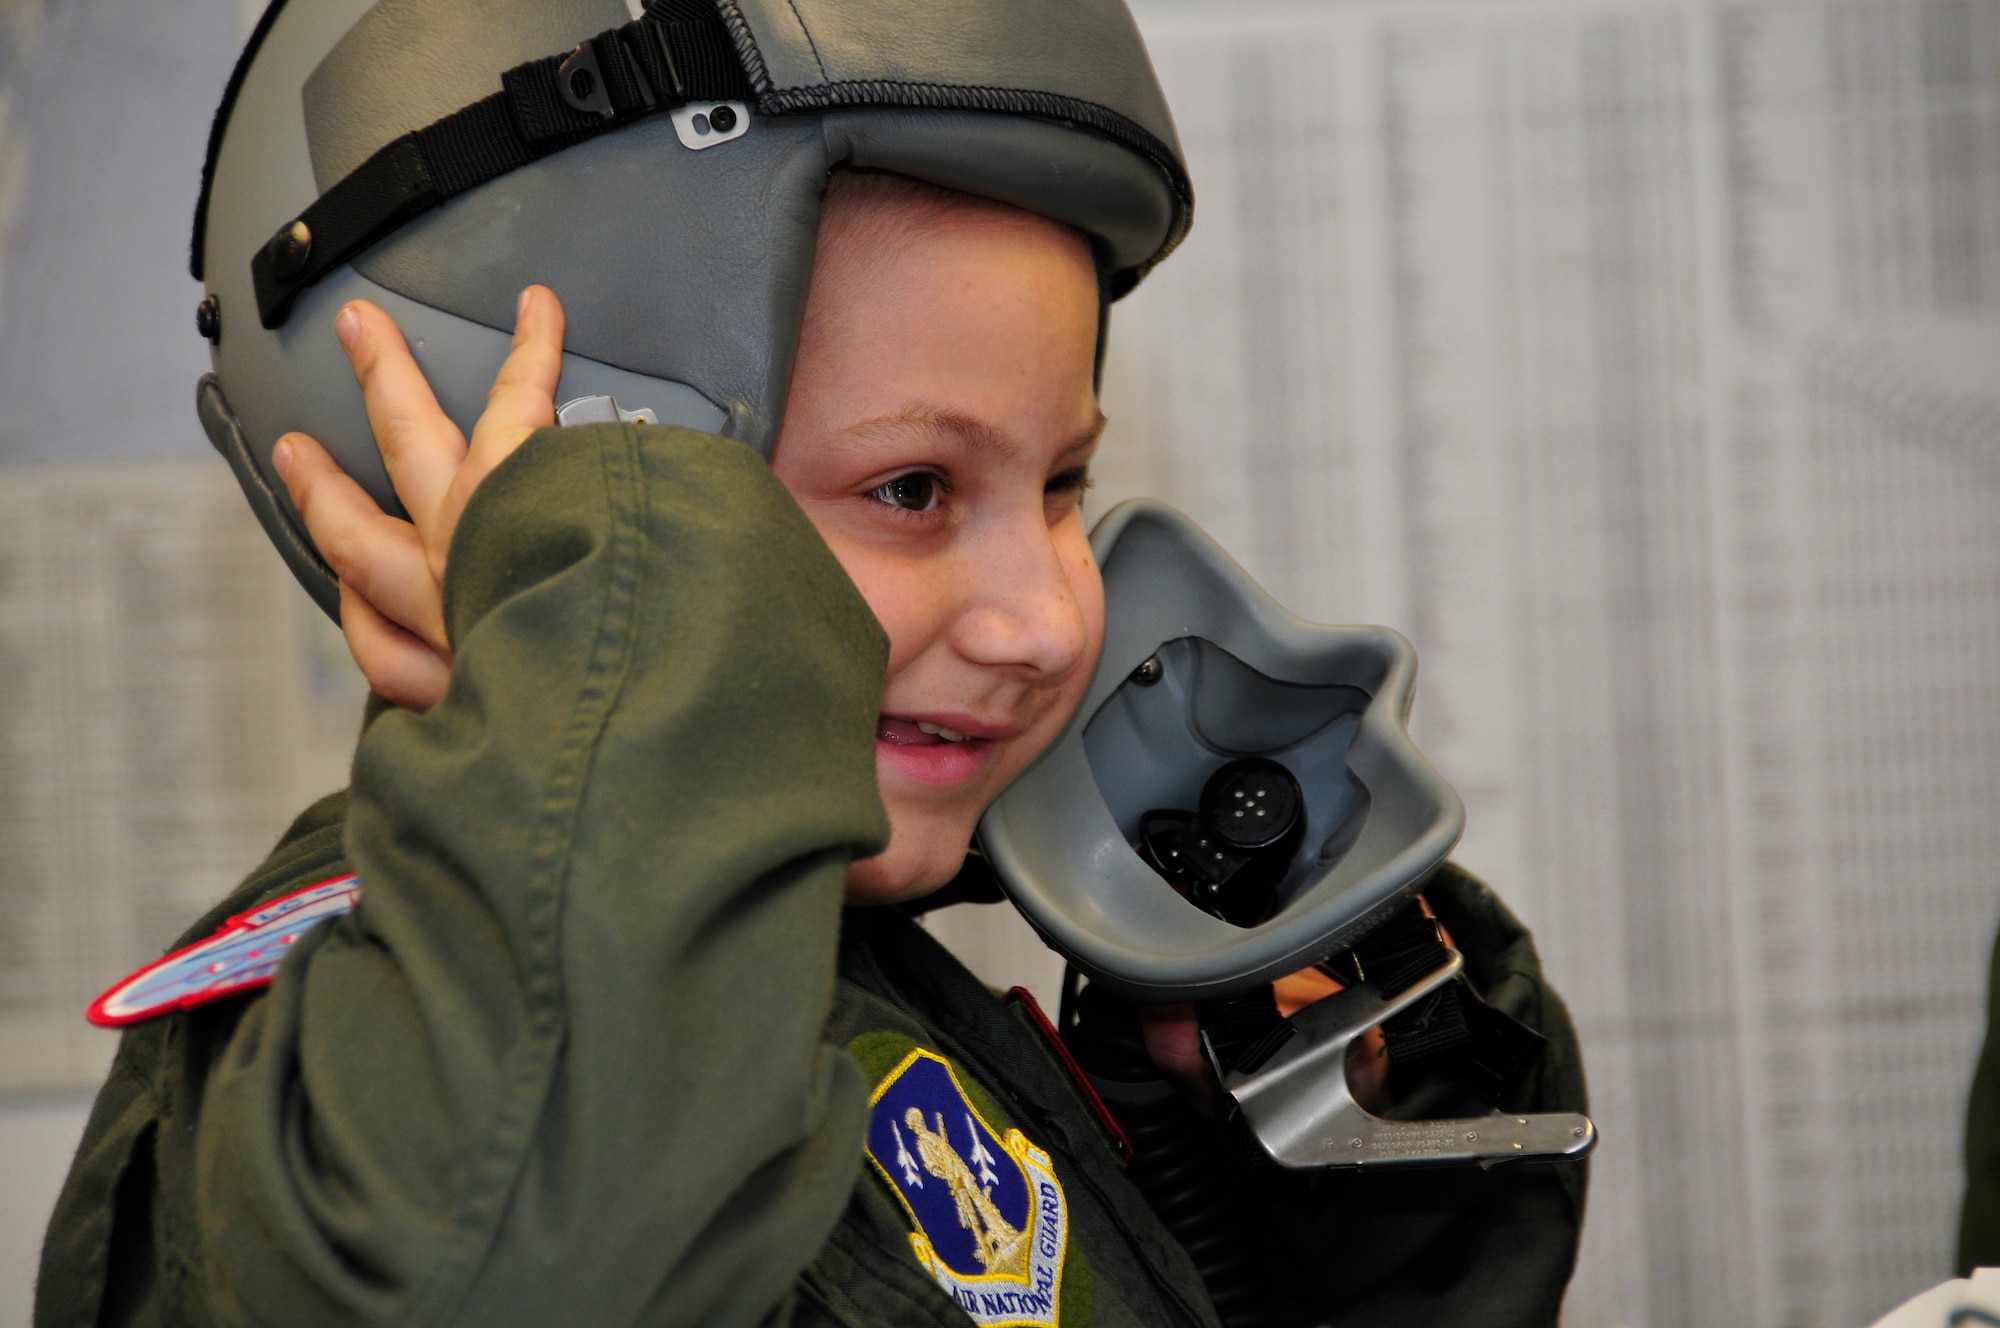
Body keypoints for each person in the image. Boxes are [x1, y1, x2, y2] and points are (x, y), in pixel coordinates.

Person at [37, 7, 1587, 1327]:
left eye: (1061, 488)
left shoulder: (855, 976)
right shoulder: (330, 1085)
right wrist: (608, 648)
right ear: (523, 491)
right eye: (913, 490)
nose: (1051, 621)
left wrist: (1268, 1086)